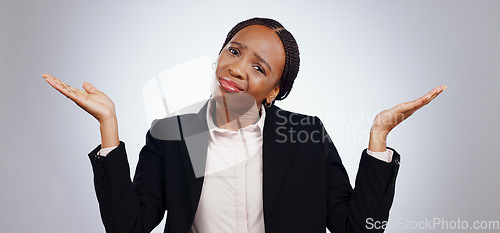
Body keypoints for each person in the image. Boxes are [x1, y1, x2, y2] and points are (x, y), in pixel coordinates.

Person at [42, 18, 446, 233]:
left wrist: (378, 139)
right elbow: (127, 227)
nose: (236, 67)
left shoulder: (307, 136)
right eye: (234, 51)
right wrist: (108, 126)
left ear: (274, 91)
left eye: (258, 67)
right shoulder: (171, 134)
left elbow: (356, 230)